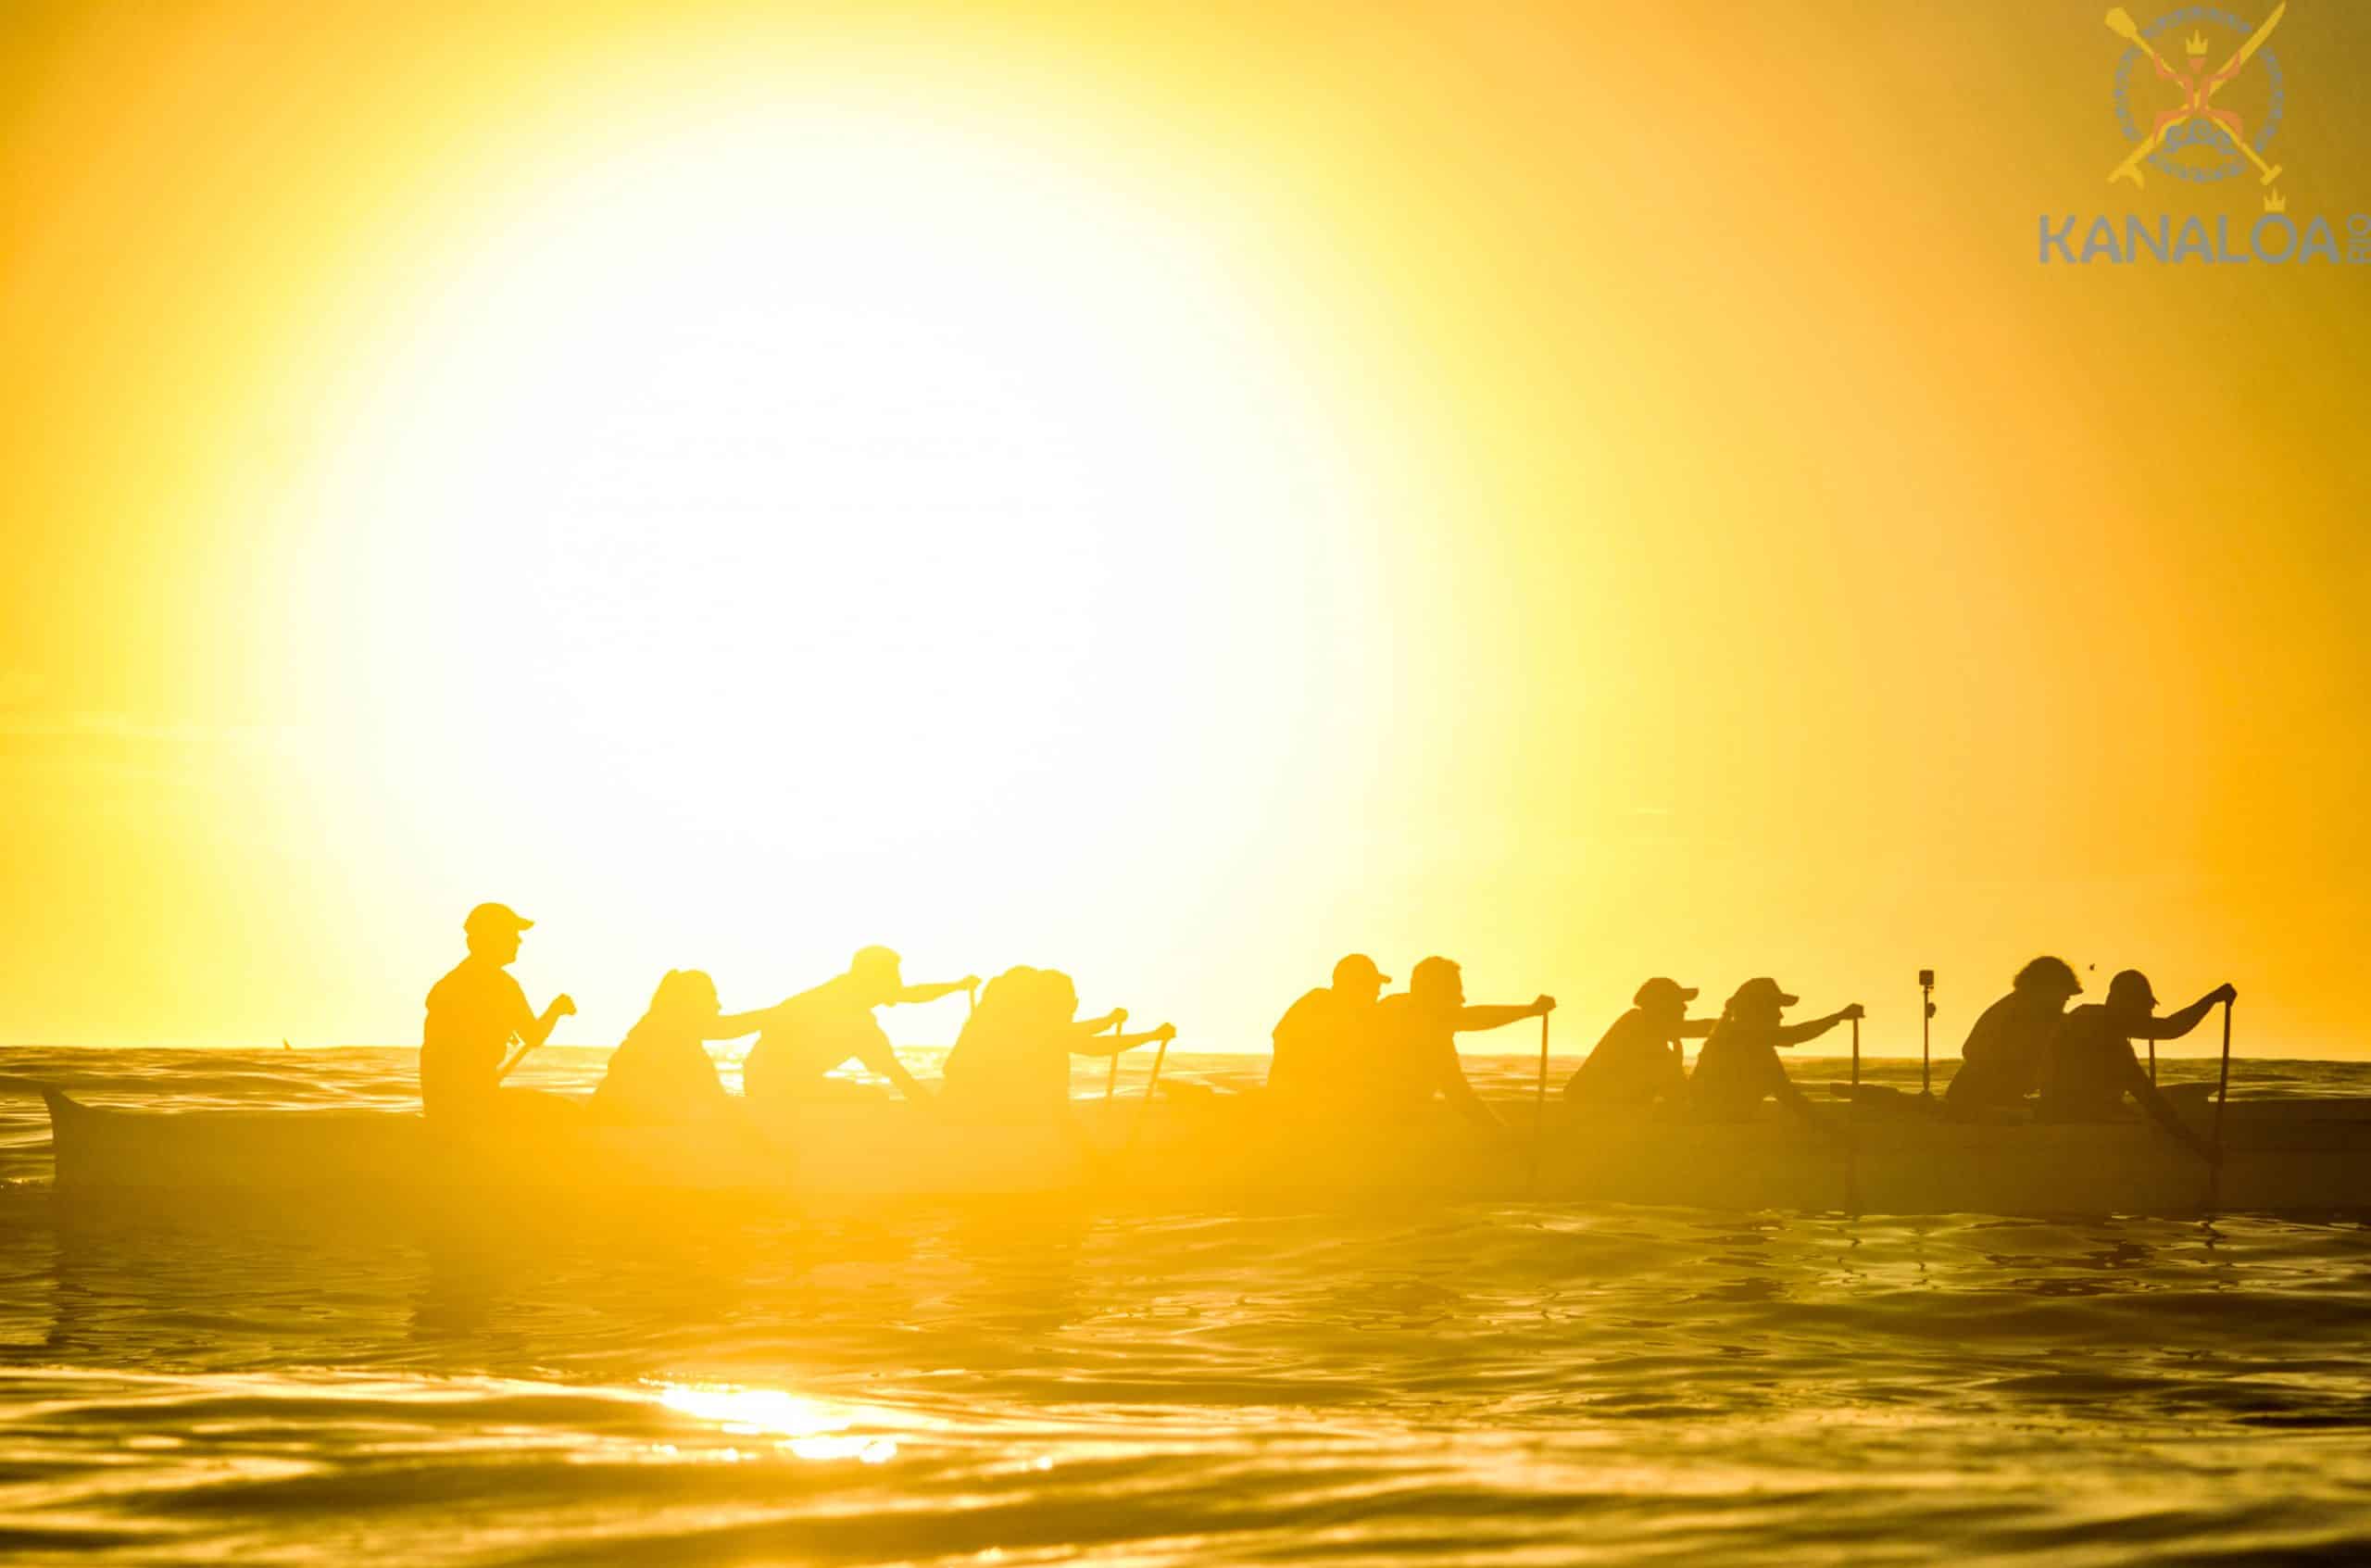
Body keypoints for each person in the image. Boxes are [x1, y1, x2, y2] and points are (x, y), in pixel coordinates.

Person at [2037, 970, 2234, 1160]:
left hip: (2056, 1106)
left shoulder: (2090, 1014)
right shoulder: (2105, 1040)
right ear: (2128, 1007)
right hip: (2074, 1115)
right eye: (2145, 1008)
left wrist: (2212, 999)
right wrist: (2199, 1147)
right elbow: (2151, 1100)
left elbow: (2170, 1027)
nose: (2149, 1015)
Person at [740, 946, 977, 1104]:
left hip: (771, 1081)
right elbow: (897, 1075)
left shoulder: (847, 992)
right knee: (873, 1098)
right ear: (873, 978)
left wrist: (955, 986)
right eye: (894, 975)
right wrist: (934, 1111)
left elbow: (911, 994)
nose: (899, 982)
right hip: (773, 1088)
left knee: (864, 1094)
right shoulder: (852, 1019)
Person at [939, 965, 1174, 1116]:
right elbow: (1089, 1045)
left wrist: (1109, 1021)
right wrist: (1150, 1036)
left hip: (966, 1103)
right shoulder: (1027, 1027)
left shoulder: (1010, 1021)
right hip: (986, 1112)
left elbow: (1070, 1033)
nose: (1073, 1007)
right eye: (1068, 1002)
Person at [420, 902, 575, 1121]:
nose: (519, 941)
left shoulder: (447, 984)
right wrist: (555, 1010)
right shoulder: (501, 985)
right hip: (477, 1106)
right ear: (494, 938)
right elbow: (534, 1036)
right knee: (569, 1114)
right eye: (512, 934)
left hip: (439, 1106)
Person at [1364, 956, 1554, 1133]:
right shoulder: (1427, 1028)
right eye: (1455, 992)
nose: (1462, 999)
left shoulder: (1394, 1006)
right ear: (1434, 995)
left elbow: (1465, 1019)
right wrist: (1530, 1011)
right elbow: (1462, 1098)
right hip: (1384, 1128)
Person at [590, 969, 765, 1123]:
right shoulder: (667, 1030)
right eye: (712, 997)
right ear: (690, 1004)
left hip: (619, 1113)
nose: (719, 1005)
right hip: (626, 1119)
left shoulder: (667, 1030)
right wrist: (773, 1016)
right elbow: (721, 1028)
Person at [1688, 978, 1861, 1128]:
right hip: (1717, 1122)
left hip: (1722, 1118)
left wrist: (1825, 1124)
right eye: (1774, 1007)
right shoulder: (1741, 1037)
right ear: (1755, 1010)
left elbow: (1785, 1091)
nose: (1780, 1015)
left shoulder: (1748, 1042)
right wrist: (1838, 1017)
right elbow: (1794, 1035)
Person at [1943, 956, 2085, 1116]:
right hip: (1977, 1099)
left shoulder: (2044, 1015)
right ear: (2045, 988)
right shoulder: (2012, 1011)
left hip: (1997, 1097)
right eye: (2063, 991)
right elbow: (1972, 1050)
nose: (2066, 998)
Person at [1563, 977, 1712, 1110]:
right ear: (1661, 1006)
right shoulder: (1637, 1026)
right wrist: (1727, 1023)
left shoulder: (1646, 1031)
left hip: (1598, 1107)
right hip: (1594, 1110)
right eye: (1678, 1002)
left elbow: (1675, 1090)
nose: (1685, 1007)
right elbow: (1677, 1094)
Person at [1266, 954, 1390, 1110]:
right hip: (1304, 1108)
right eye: (1373, 986)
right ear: (1356, 986)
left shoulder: (1319, 1004)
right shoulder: (1324, 1008)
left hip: (1297, 1102)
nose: (1378, 993)